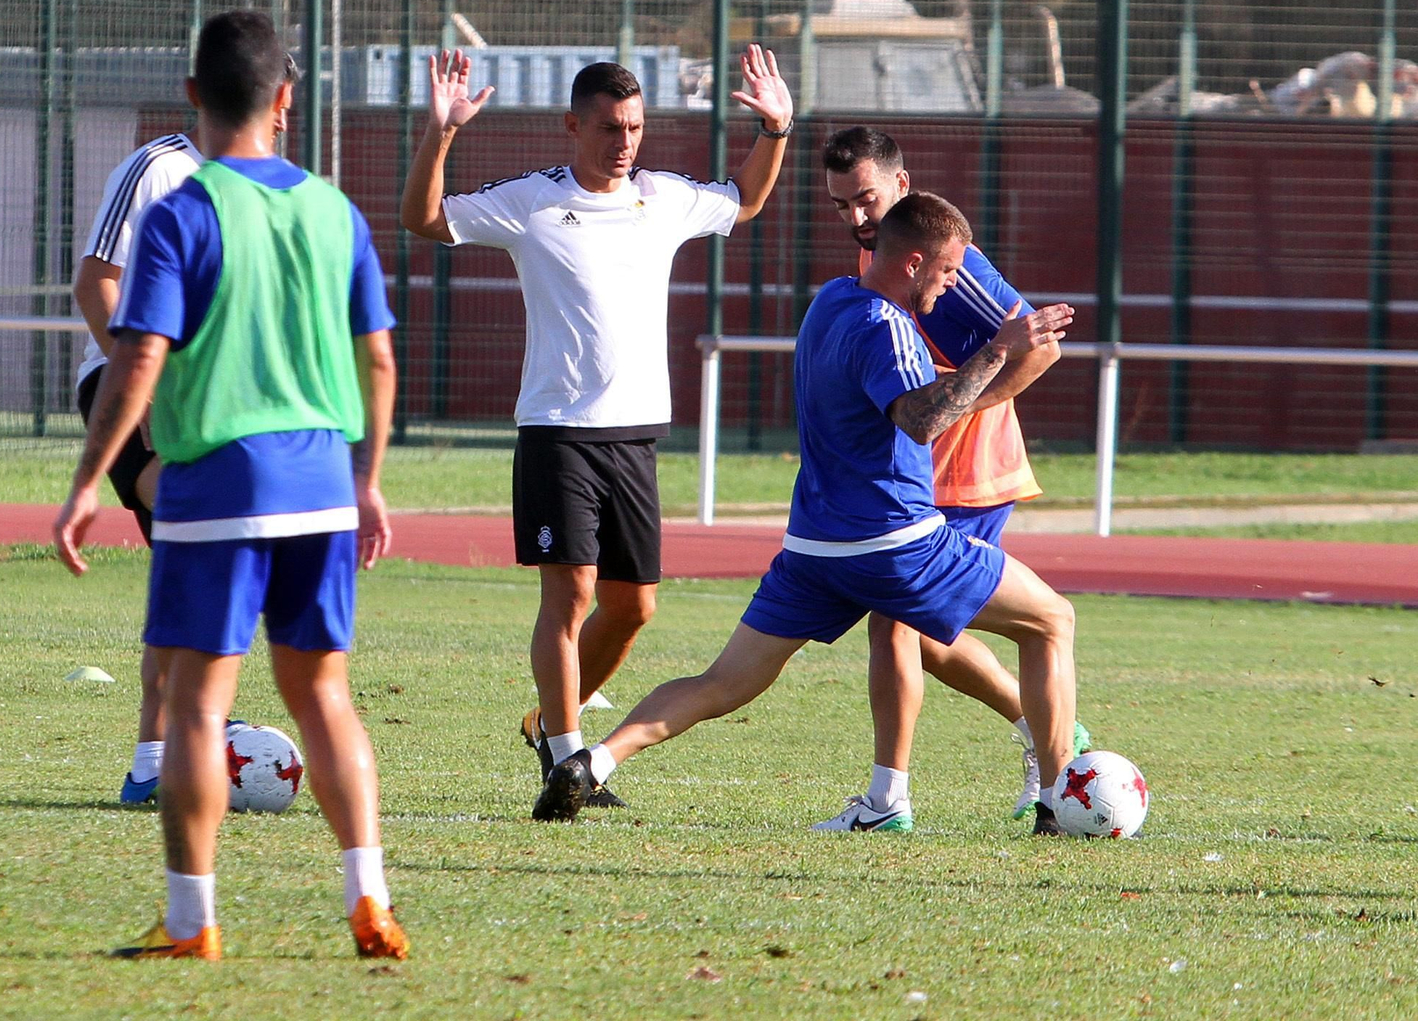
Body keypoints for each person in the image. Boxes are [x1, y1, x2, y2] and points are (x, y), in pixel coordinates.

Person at [532, 192, 1081, 839]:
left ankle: (591, 761)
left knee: (723, 681)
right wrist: (999, 348)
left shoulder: (830, 304)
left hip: (813, 550)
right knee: (1051, 621)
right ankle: (1057, 804)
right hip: (897, 543)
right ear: (911, 262)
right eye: (948, 270)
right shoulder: (888, 325)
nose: (952, 283)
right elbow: (922, 417)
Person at [54, 10, 405, 960]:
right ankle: (368, 898)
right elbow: (378, 360)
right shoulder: (334, 209)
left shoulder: (184, 210)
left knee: (200, 706)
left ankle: (191, 920)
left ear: (195, 97)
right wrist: (368, 479)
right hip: (324, 479)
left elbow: (137, 358)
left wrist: (91, 479)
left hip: (219, 482)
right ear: (287, 98)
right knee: (325, 695)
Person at [399, 47, 793, 810]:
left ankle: (549, 725)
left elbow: (743, 200)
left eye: (635, 127)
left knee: (634, 606)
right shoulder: (530, 200)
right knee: (571, 593)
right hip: (558, 429)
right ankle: (567, 754)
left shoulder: (664, 196)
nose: (624, 143)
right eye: (610, 128)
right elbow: (422, 219)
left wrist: (776, 130)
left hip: (636, 433)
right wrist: (441, 134)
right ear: (573, 125)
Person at [820, 126, 1088, 827]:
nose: (856, 217)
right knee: (915, 633)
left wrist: (966, 409)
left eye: (866, 199)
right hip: (915, 467)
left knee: (902, 627)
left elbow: (1039, 346)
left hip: (966, 473)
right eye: (842, 204)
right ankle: (1038, 735)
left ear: (902, 187)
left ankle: (891, 800)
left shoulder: (952, 265)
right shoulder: (880, 259)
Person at [72, 53, 299, 805]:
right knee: (194, 534)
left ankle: (158, 756)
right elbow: (96, 281)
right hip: (130, 389)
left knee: (193, 563)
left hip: (218, 407)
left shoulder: (277, 189)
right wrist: (149, 377)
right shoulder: (156, 170)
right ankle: (175, 742)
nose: (279, 115)